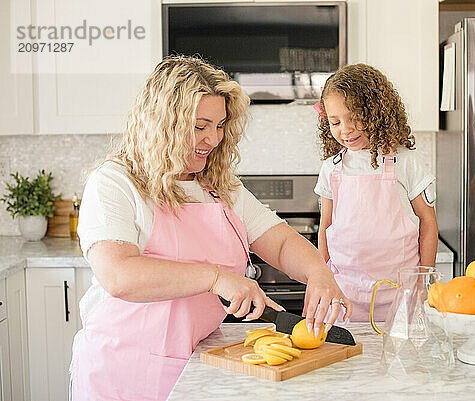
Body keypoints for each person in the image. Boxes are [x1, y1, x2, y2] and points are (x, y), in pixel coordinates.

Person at [69, 55, 352, 400]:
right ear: (162, 123)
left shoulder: (219, 185)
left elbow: (277, 241)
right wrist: (217, 277)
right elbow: (120, 275)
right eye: (199, 126)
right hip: (123, 372)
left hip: (197, 364)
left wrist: (318, 271)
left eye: (219, 126)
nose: (212, 139)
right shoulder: (116, 182)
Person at [314, 63, 438, 322]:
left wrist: (423, 281)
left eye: (355, 118)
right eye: (335, 122)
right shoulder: (331, 169)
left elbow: (427, 221)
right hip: (345, 292)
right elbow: (326, 225)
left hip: (400, 293)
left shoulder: (404, 162)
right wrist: (323, 276)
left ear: (377, 113)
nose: (345, 129)